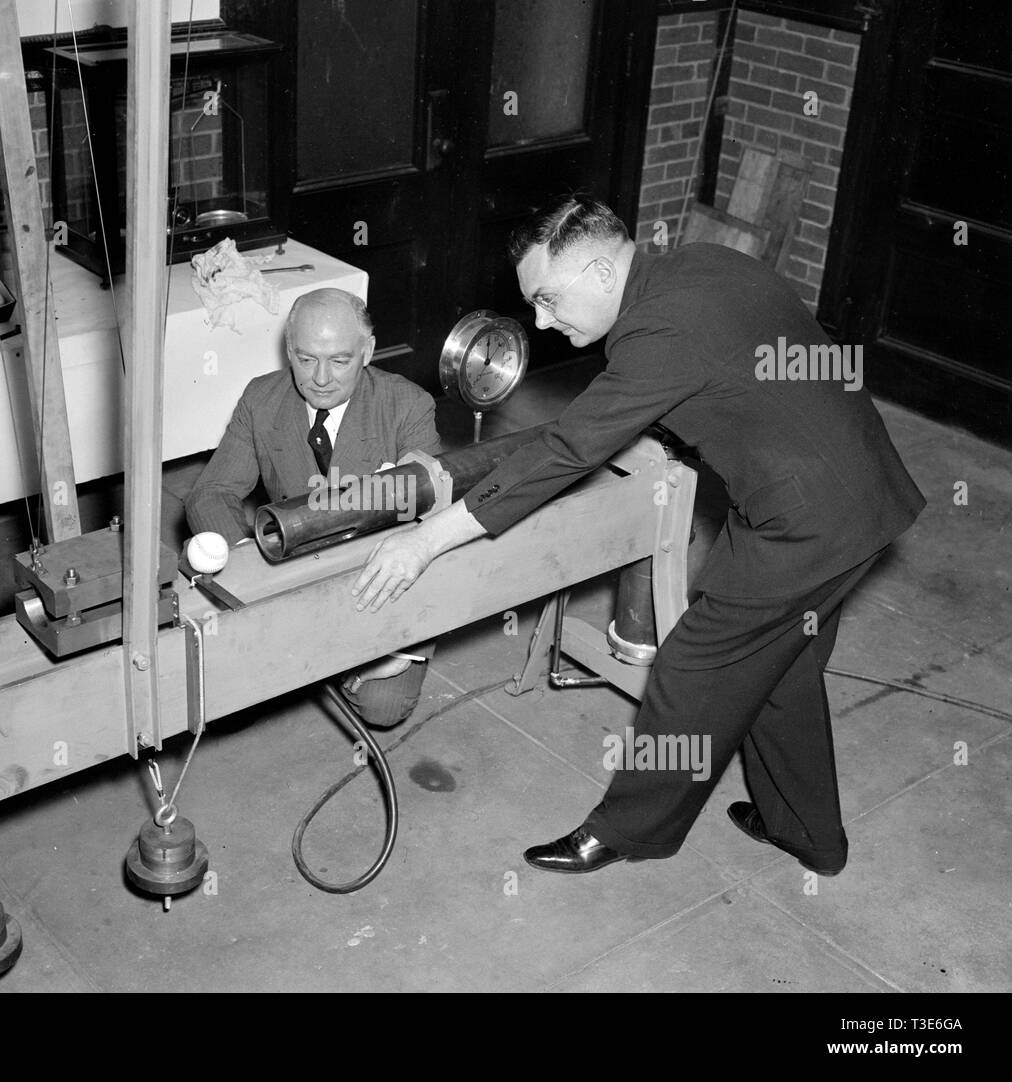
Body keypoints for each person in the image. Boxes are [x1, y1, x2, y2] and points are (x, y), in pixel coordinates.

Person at [350, 195, 925, 875]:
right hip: (856, 488)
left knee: (692, 666)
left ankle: (627, 830)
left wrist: (426, 539)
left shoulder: (661, 331)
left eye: (548, 299)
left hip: (807, 522)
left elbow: (569, 449)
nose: (541, 320)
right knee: (782, 664)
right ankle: (808, 834)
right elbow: (740, 364)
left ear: (599, 273)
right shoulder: (696, 264)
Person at [186, 286, 442, 728]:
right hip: (289, 570)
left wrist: (392, 643)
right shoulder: (261, 399)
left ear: (368, 351)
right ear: (288, 350)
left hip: (373, 580)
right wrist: (247, 564)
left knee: (382, 706)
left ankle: (330, 658)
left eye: (340, 360)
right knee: (219, 694)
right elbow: (211, 493)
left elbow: (428, 522)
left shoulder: (408, 406)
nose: (320, 377)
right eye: (305, 359)